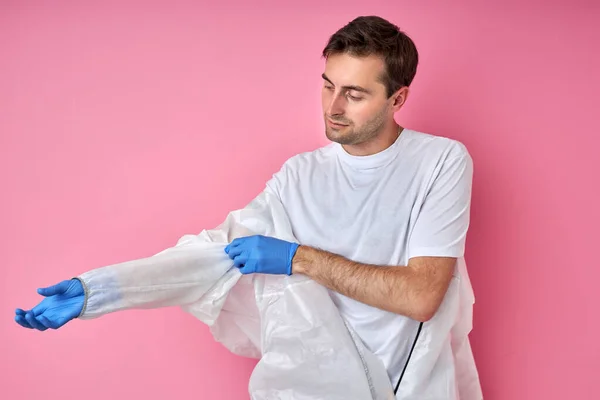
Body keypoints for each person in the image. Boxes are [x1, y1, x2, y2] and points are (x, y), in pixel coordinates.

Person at [15, 15, 481, 399]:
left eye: (355, 94)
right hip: (321, 383)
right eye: (327, 86)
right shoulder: (299, 176)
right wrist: (100, 290)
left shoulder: (439, 162)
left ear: (397, 98)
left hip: (416, 383)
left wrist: (298, 258)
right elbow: (211, 257)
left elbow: (421, 297)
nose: (333, 106)